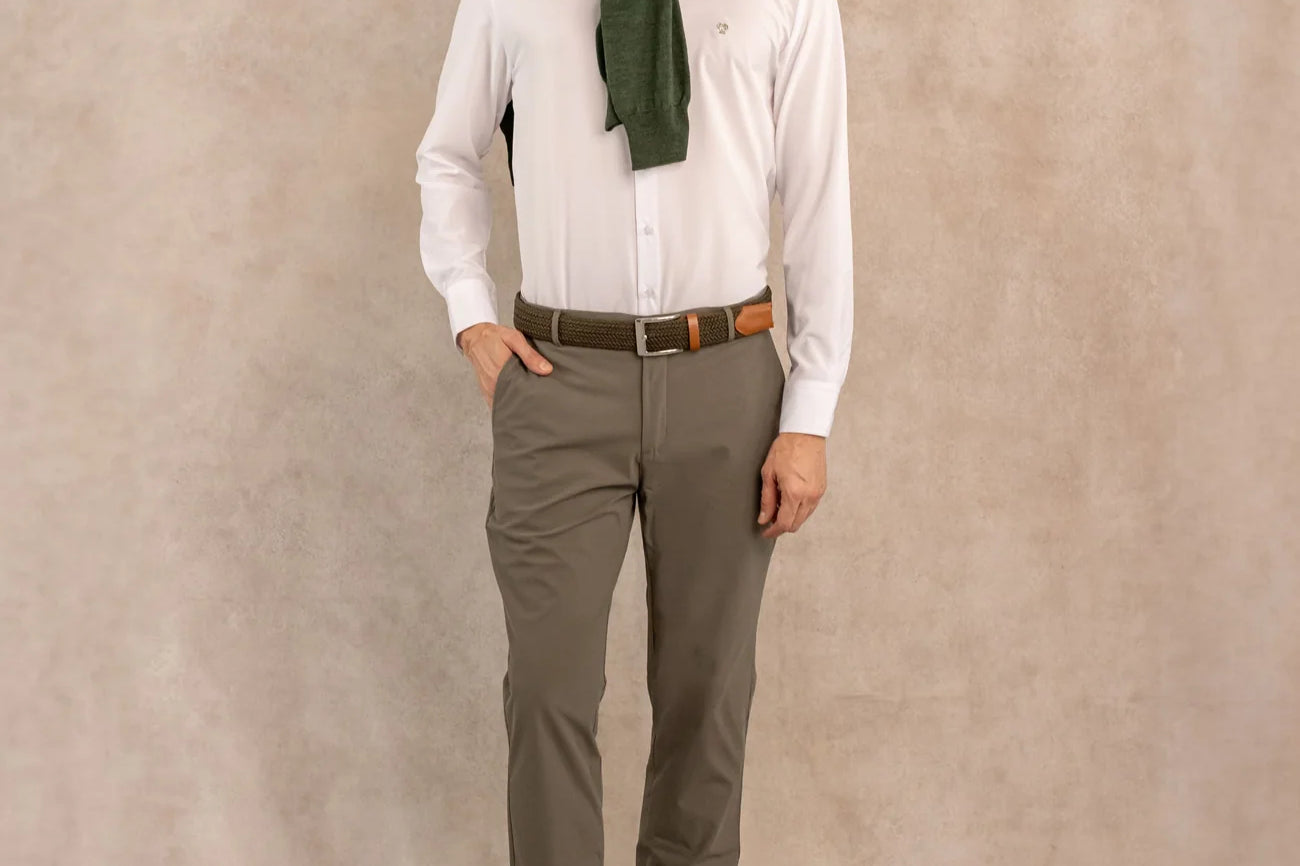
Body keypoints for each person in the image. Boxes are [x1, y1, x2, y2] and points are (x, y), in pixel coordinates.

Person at [414, 0, 852, 863]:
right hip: (559, 380)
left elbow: (817, 195)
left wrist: (811, 410)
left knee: (707, 691)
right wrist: (470, 313)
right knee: (547, 688)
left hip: (725, 376)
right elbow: (448, 154)